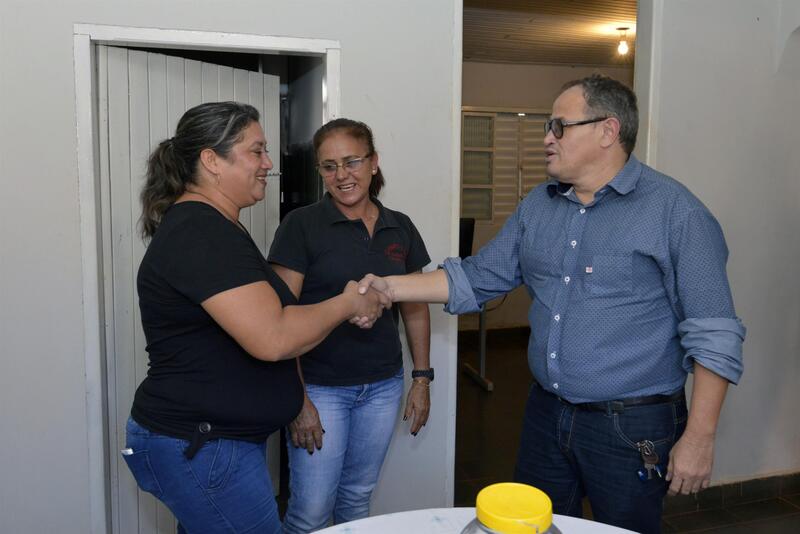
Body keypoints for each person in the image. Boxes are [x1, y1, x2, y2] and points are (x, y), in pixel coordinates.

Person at [358, 75, 745, 533]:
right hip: (547, 413)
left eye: (559, 126)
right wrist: (388, 287)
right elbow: (479, 276)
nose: (546, 138)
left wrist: (699, 437)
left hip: (632, 426)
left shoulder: (676, 213)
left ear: (608, 131)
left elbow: (714, 334)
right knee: (536, 526)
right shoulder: (539, 206)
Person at [124, 102, 386, 534]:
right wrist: (347, 304)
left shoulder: (216, 225)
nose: (268, 164)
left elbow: (279, 327)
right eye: (256, 151)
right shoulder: (200, 230)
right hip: (201, 443)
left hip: (213, 440)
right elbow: (274, 337)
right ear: (212, 160)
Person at [268, 118, 433, 533]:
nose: (341, 175)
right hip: (319, 389)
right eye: (329, 166)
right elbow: (279, 318)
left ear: (373, 163)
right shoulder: (300, 226)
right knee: (310, 511)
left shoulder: (400, 226)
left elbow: (416, 307)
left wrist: (421, 379)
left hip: (382, 387)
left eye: (352, 161)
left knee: (358, 496)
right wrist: (298, 400)